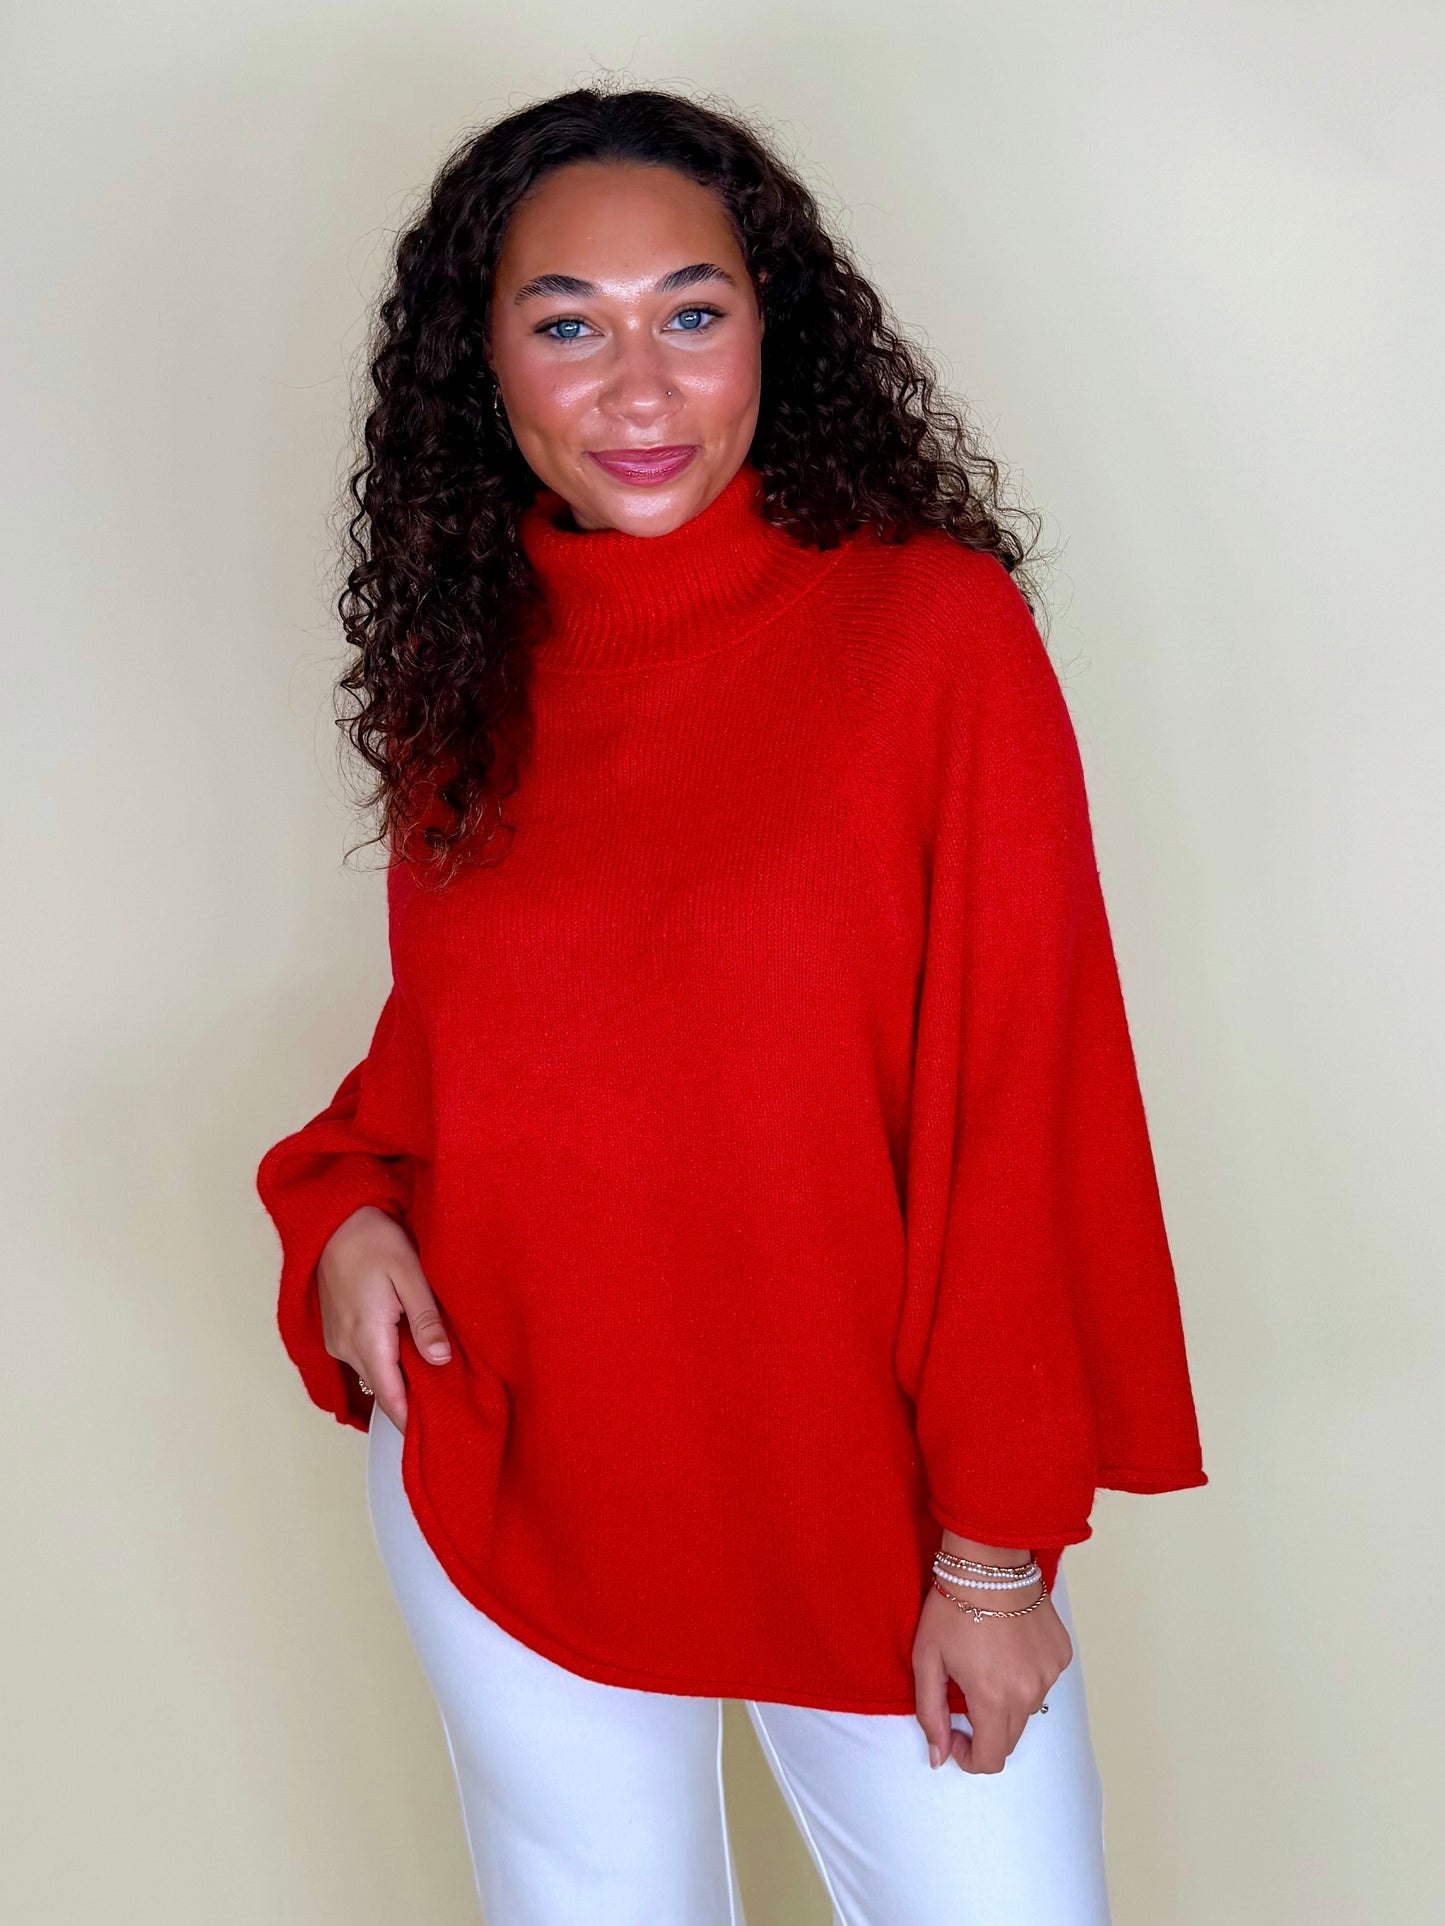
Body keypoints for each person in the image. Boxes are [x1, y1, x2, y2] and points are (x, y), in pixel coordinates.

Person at [255, 85, 1207, 1925]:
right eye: (567, 325)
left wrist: (994, 1556)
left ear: (773, 326)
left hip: (865, 1510)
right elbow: (476, 1052)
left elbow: (1018, 1093)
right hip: (513, 1466)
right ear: (483, 362)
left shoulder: (927, 636)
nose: (638, 387)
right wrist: (346, 1207)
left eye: (689, 313)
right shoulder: (475, 664)